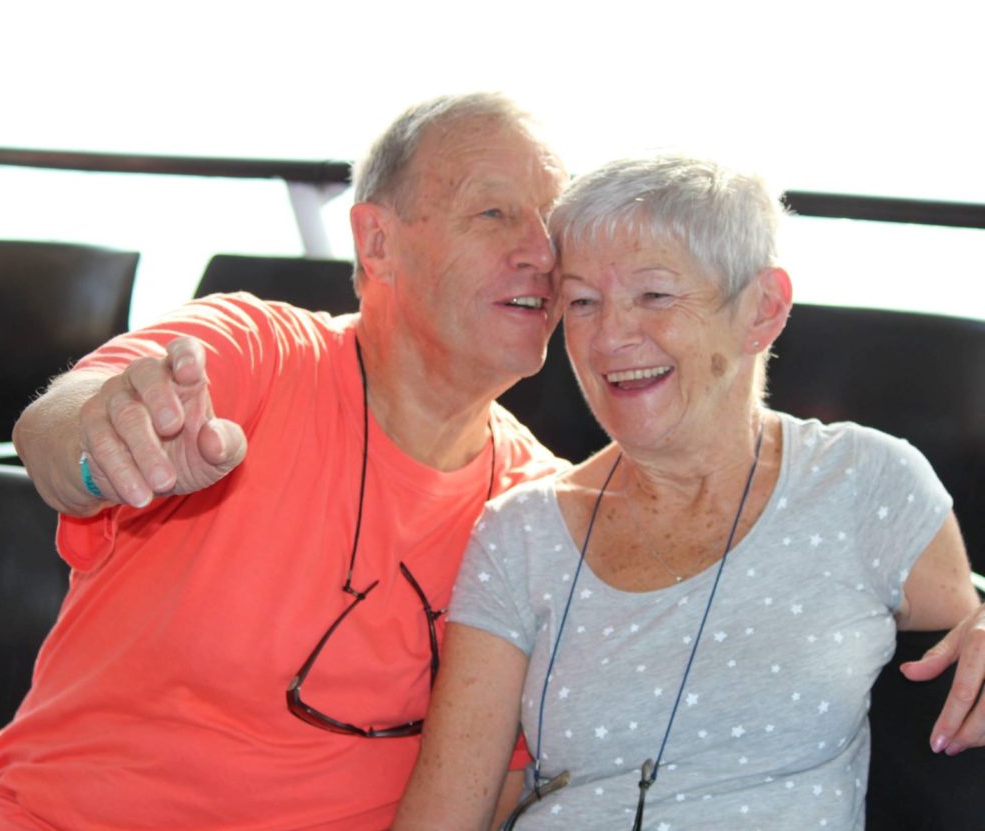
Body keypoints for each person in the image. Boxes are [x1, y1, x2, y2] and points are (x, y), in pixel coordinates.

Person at [0, 93, 569, 831]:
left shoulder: (542, 509)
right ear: (376, 242)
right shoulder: (259, 352)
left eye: (554, 220)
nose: (542, 251)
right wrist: (107, 445)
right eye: (495, 214)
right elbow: (57, 426)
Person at [393, 156, 985, 830]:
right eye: (583, 301)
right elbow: (443, 815)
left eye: (654, 295)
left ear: (763, 308)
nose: (610, 336)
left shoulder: (867, 485)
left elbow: (965, 664)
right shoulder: (520, 532)